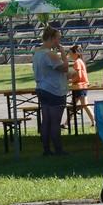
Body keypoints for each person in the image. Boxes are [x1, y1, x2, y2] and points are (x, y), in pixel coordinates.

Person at [33, 27, 69, 156]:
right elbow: (65, 68)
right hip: (54, 90)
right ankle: (58, 149)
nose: (59, 41)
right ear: (52, 38)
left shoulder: (37, 53)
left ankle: (46, 149)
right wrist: (63, 53)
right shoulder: (50, 54)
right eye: (58, 38)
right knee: (55, 122)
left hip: (42, 89)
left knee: (46, 120)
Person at [66, 45, 95, 127]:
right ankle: (66, 123)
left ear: (75, 53)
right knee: (79, 105)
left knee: (81, 105)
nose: (69, 55)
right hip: (81, 86)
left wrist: (70, 81)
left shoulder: (77, 62)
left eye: (70, 53)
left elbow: (78, 76)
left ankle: (94, 121)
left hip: (80, 86)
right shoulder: (80, 61)